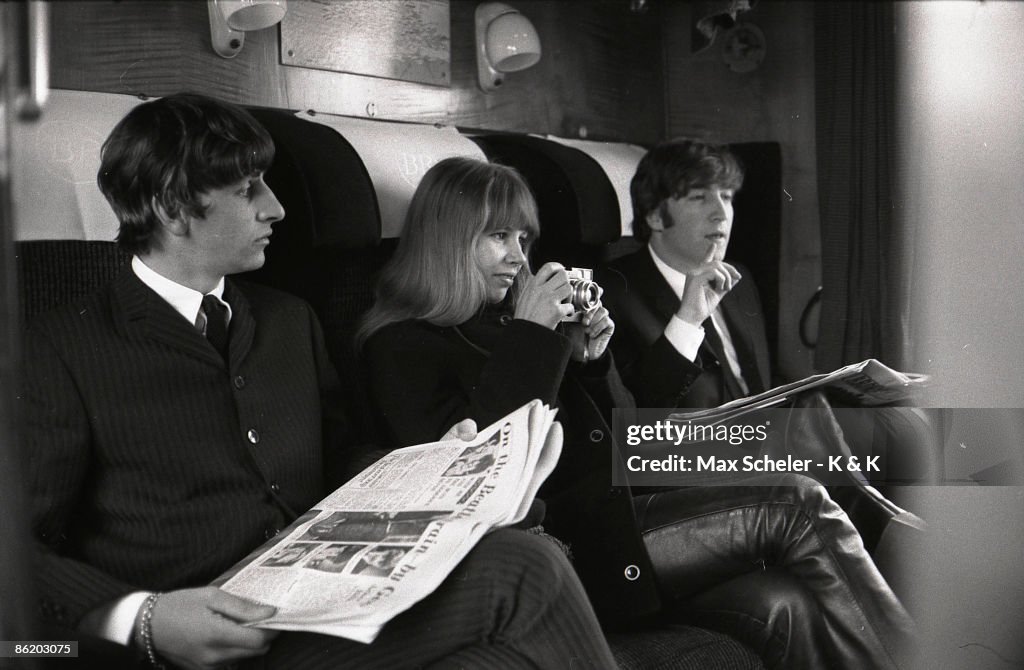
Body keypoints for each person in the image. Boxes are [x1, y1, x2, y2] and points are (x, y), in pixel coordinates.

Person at [21, 93, 618, 669]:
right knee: (527, 566)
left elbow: (338, 458)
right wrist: (144, 619)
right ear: (172, 208)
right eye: (246, 188)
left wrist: (430, 467)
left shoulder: (286, 319)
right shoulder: (58, 348)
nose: (276, 207)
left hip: (319, 605)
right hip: (198, 636)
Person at [357, 156, 918, 670]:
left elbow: (607, 438)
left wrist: (588, 362)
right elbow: (481, 472)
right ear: (448, 241)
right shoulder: (401, 345)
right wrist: (535, 337)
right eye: (498, 237)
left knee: (789, 585)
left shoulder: (507, 324)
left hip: (617, 507)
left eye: (523, 237)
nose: (519, 257)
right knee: (796, 497)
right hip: (564, 547)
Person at [599, 138, 769, 409]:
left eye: (726, 196)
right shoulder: (609, 293)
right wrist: (688, 319)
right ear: (655, 216)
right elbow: (636, 415)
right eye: (699, 197)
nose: (721, 214)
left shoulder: (741, 279)